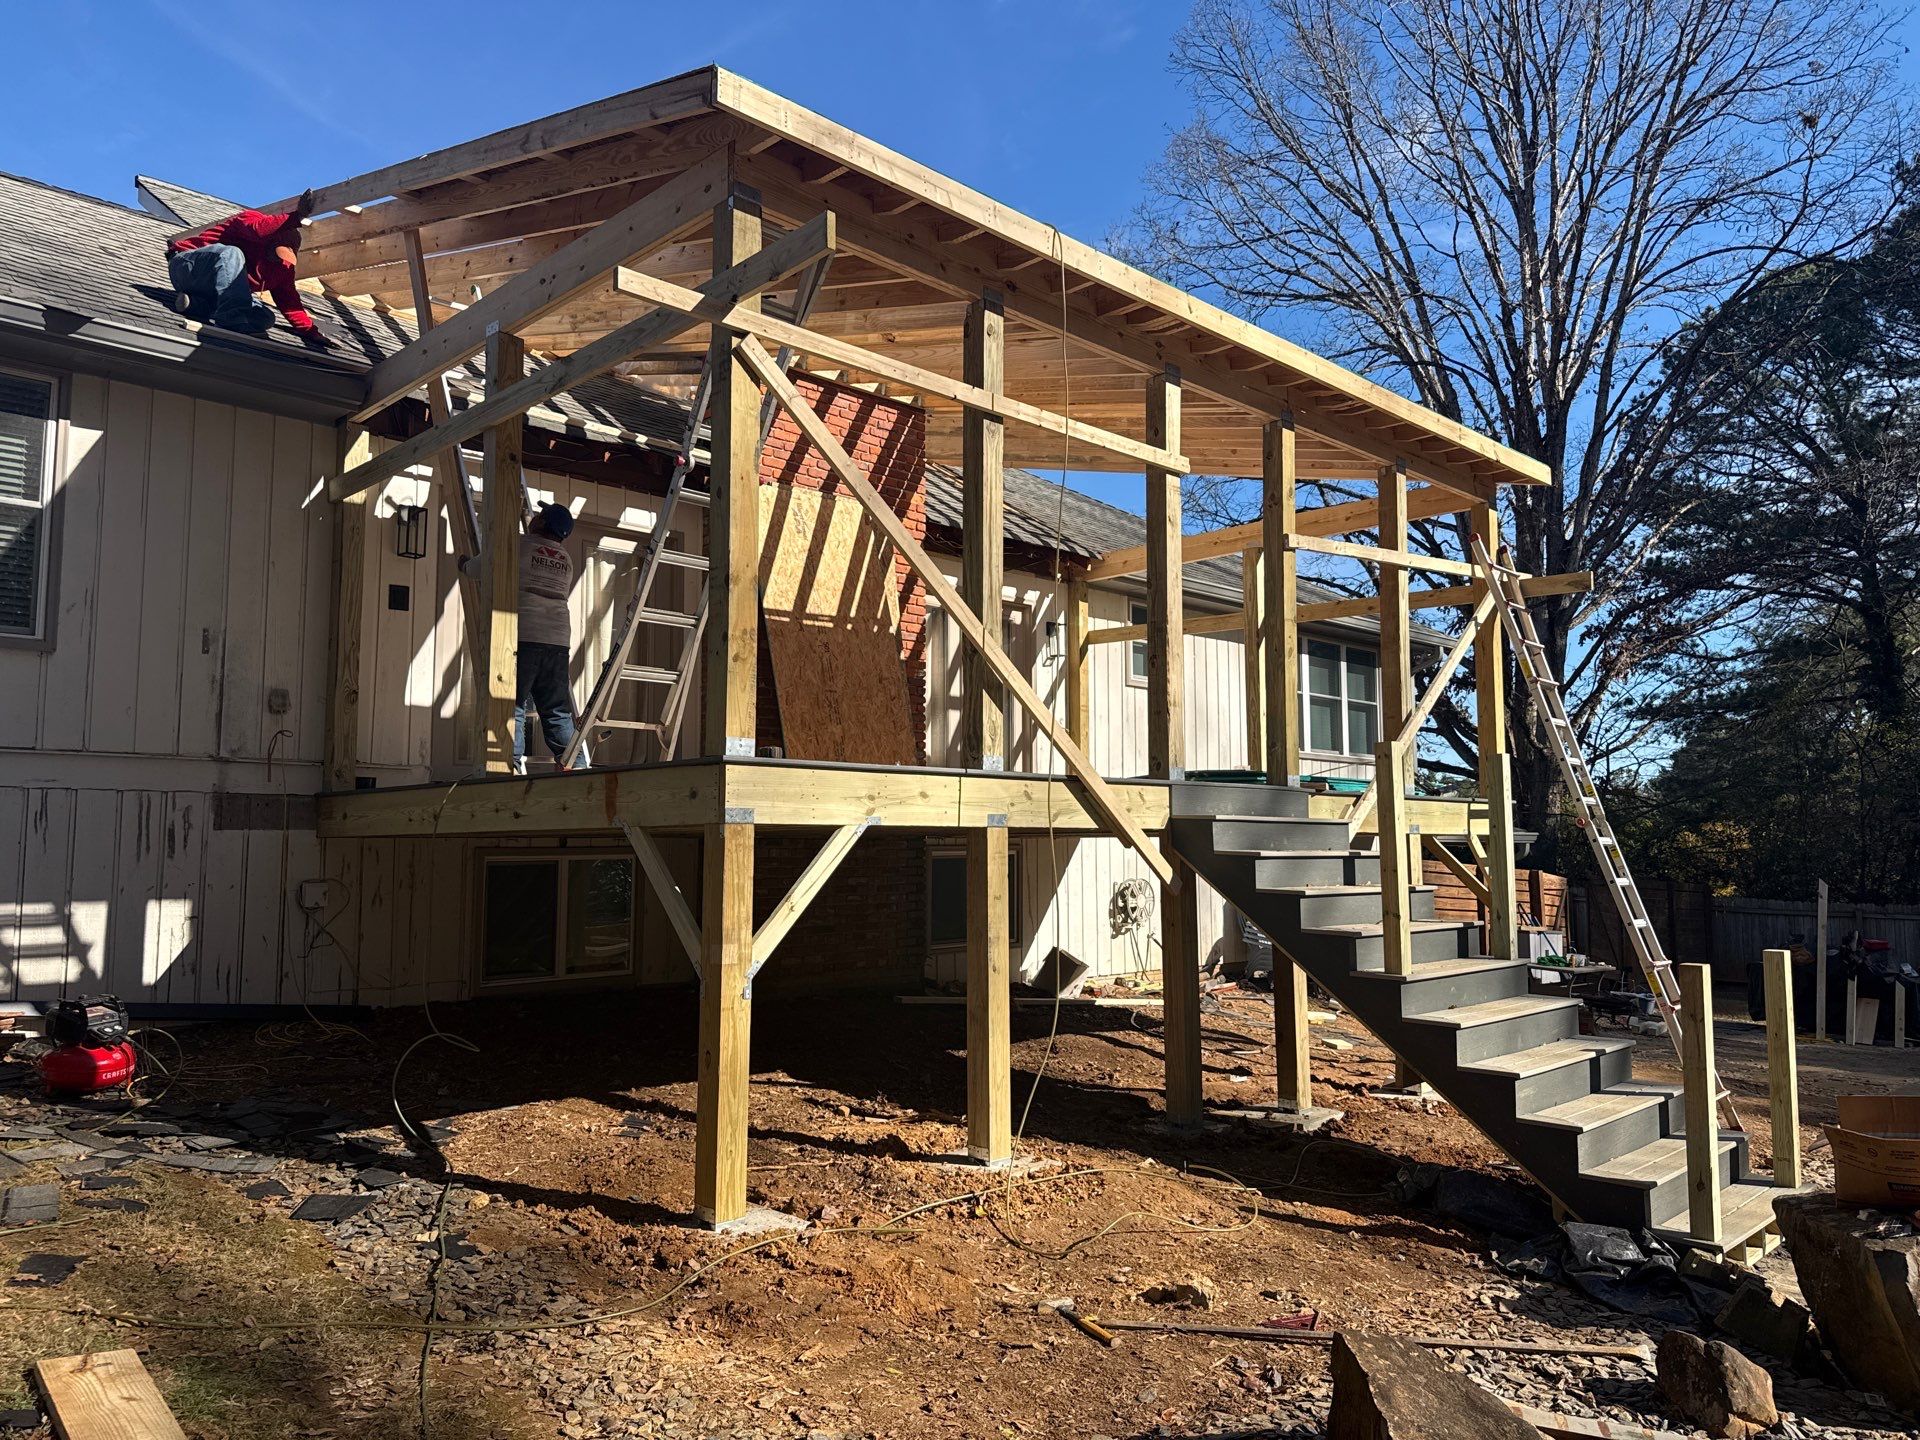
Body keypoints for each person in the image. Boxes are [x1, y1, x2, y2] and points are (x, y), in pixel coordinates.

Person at [164, 189, 333, 350]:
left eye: (285, 257)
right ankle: (231, 319)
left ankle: (197, 305)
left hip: (210, 290)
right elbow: (257, 230)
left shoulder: (283, 268)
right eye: (277, 253)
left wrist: (311, 332)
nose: (278, 260)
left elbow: (290, 302)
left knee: (265, 317)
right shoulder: (250, 219)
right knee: (231, 253)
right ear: (270, 242)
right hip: (187, 267)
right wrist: (298, 216)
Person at [515, 502, 589, 773]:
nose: (533, 518)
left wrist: (465, 565)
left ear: (543, 523)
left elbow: (487, 567)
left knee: (514, 704)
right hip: (557, 640)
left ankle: (508, 768)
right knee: (556, 710)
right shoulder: (565, 559)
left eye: (540, 516)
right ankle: (575, 765)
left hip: (526, 636)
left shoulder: (520, 546)